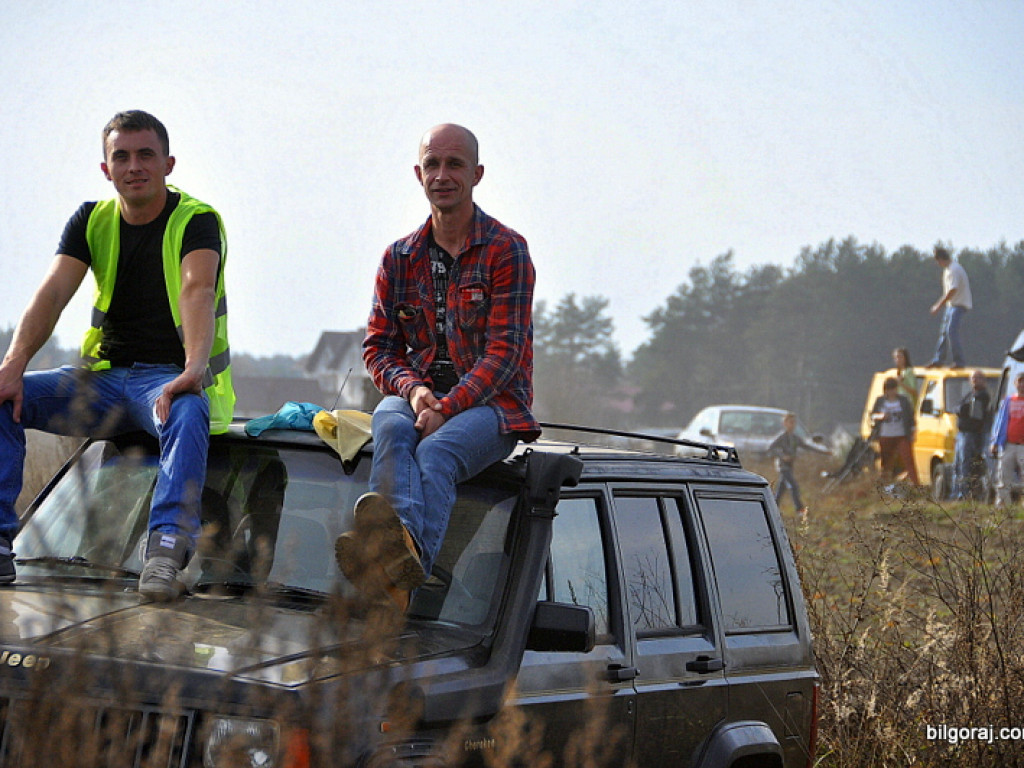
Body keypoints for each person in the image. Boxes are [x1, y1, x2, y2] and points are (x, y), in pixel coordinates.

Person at [0, 110, 233, 599]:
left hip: (165, 381)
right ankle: (2, 544)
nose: (134, 166)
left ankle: (165, 552)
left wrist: (194, 367)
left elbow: (197, 288)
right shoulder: (91, 220)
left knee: (187, 410)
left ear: (168, 163)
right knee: (3, 395)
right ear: (106, 169)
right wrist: (13, 364)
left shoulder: (197, 219)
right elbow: (51, 294)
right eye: (121, 157)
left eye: (146, 154)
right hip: (102, 381)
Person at [335, 124, 539, 611]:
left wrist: (447, 407)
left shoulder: (507, 249)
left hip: (495, 406)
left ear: (477, 174)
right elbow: (378, 348)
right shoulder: (398, 258)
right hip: (418, 398)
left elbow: (505, 354)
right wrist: (413, 392)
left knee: (437, 453)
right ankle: (399, 552)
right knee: (387, 423)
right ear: (418, 173)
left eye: (454, 165)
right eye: (432, 164)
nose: (442, 175)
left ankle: (408, 566)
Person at [768, 412, 829, 516]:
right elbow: (771, 449)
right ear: (785, 423)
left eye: (794, 422)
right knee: (794, 486)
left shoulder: (795, 438)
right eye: (791, 422)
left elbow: (807, 446)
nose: (793, 425)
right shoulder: (781, 437)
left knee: (781, 490)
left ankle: (772, 509)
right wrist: (782, 456)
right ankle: (799, 509)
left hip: (790, 466)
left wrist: (823, 452)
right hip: (783, 466)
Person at [926, 246, 972, 369]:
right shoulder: (948, 270)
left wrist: (938, 306)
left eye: (938, 261)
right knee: (944, 333)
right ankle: (938, 359)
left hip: (958, 305)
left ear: (941, 259)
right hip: (951, 305)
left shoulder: (954, 270)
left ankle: (959, 361)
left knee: (951, 331)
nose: (938, 264)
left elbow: (952, 290)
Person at [870, 377, 920, 485]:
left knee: (908, 460)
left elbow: (911, 417)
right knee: (886, 462)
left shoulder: (904, 400)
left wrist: (913, 432)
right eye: (889, 389)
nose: (892, 392)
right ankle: (884, 486)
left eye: (894, 389)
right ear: (885, 390)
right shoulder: (880, 401)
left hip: (902, 435)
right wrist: (881, 416)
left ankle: (916, 485)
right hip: (885, 435)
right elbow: (872, 416)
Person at [952, 370, 991, 500]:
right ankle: (955, 492)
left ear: (984, 381)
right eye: (973, 378)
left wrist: (962, 409)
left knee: (965, 464)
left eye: (978, 377)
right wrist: (962, 409)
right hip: (961, 433)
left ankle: (963, 493)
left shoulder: (983, 396)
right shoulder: (969, 394)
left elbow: (975, 416)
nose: (975, 380)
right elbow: (958, 408)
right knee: (957, 465)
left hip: (971, 434)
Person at [990, 372, 1024, 507]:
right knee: (1003, 476)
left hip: (1023, 446)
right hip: (1008, 445)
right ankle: (1003, 506)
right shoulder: (1008, 401)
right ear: (1015, 384)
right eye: (1020, 382)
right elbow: (999, 422)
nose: (1022, 385)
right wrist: (995, 442)